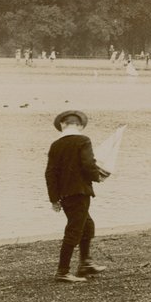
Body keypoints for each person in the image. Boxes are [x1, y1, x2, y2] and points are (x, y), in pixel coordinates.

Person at [45, 110, 109, 282]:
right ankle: (63, 271)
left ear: (63, 125)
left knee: (87, 225)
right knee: (75, 230)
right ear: (79, 125)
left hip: (65, 194)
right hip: (79, 192)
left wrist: (54, 198)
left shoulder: (55, 145)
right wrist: (98, 177)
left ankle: (85, 263)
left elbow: (50, 174)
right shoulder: (83, 140)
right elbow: (88, 164)